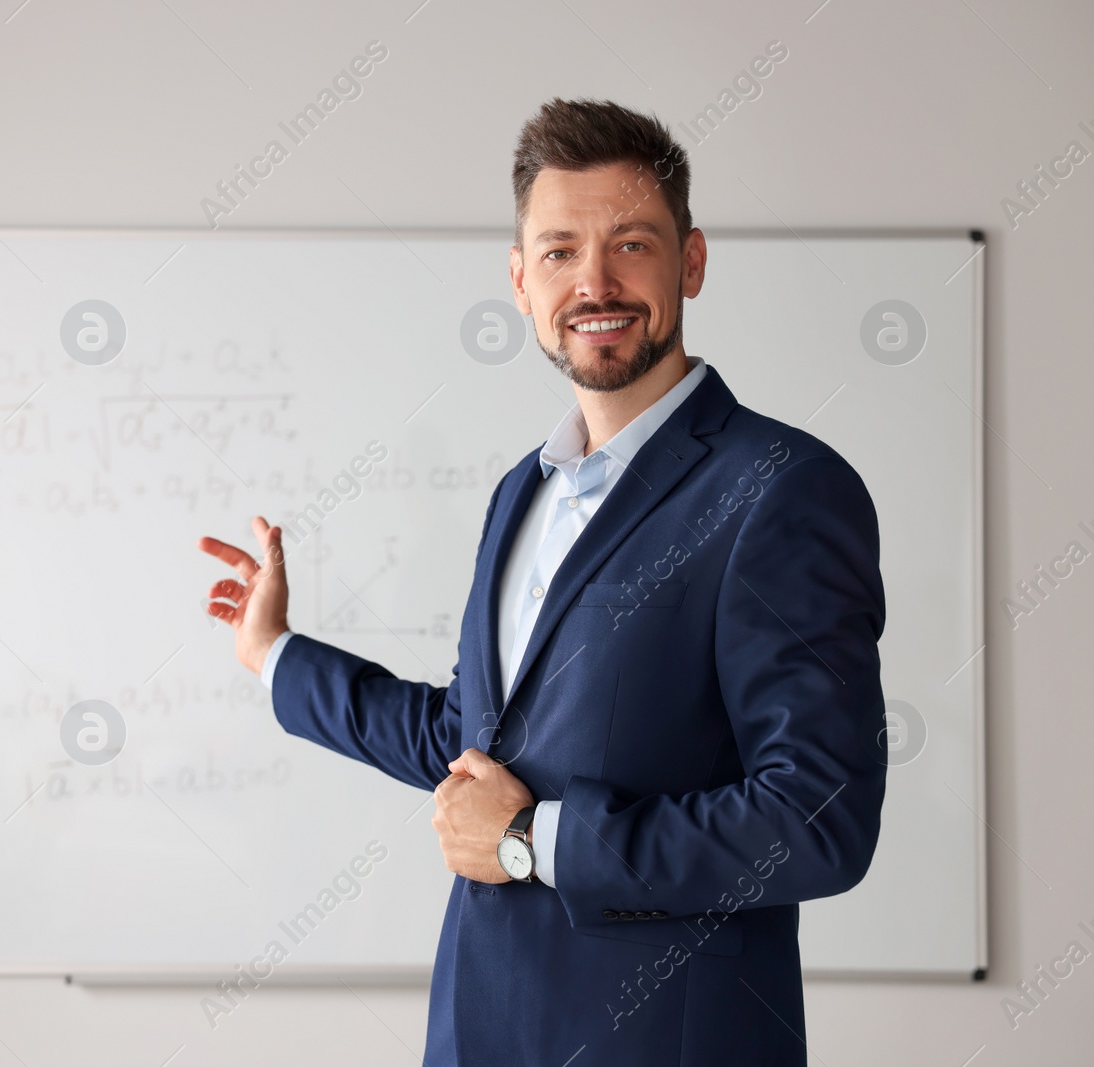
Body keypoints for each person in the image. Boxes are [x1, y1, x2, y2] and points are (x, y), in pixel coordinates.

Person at [197, 97, 887, 1066]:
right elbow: (471, 742)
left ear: (690, 260)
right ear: (521, 281)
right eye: (560, 251)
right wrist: (273, 652)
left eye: (630, 244)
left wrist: (529, 839)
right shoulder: (524, 491)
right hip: (481, 1028)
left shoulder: (779, 488)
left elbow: (815, 818)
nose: (593, 280)